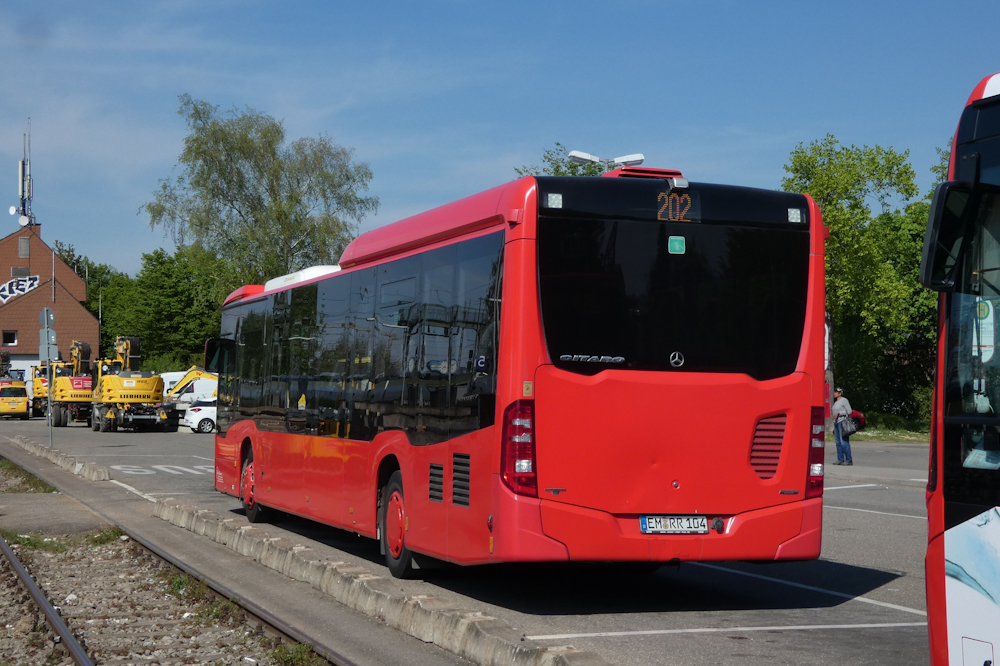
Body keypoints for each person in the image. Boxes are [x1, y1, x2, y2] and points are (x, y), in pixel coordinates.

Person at [832, 387, 853, 466]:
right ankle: (840, 459)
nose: (835, 393)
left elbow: (849, 411)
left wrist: (839, 413)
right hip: (836, 423)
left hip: (842, 422)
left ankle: (848, 460)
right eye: (834, 392)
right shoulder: (835, 402)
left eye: (836, 392)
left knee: (843, 441)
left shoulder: (844, 400)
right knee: (838, 442)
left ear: (840, 393)